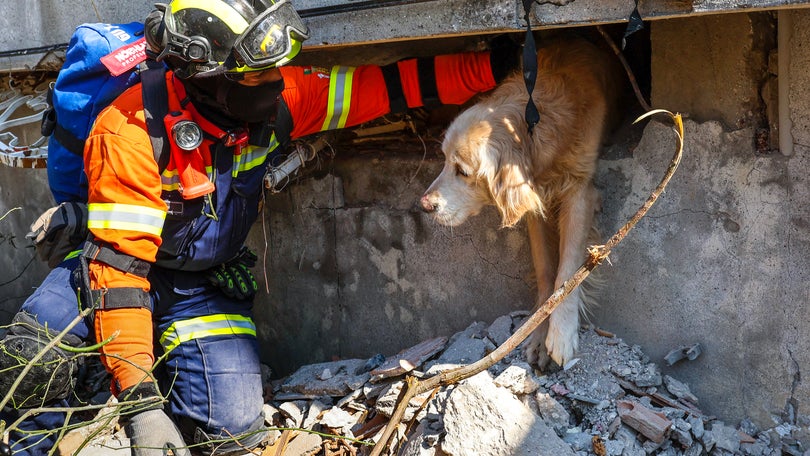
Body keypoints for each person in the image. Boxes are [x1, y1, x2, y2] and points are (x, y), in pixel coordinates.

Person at [0, 0, 519, 454]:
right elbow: (120, 280)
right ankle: (79, 407)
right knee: (31, 360)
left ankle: (151, 370)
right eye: (255, 75)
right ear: (205, 76)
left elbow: (385, 87)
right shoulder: (131, 132)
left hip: (199, 284)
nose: (276, 83)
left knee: (231, 428)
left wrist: (497, 63)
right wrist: (139, 408)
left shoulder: (274, 103)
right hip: (118, 273)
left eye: (273, 70)